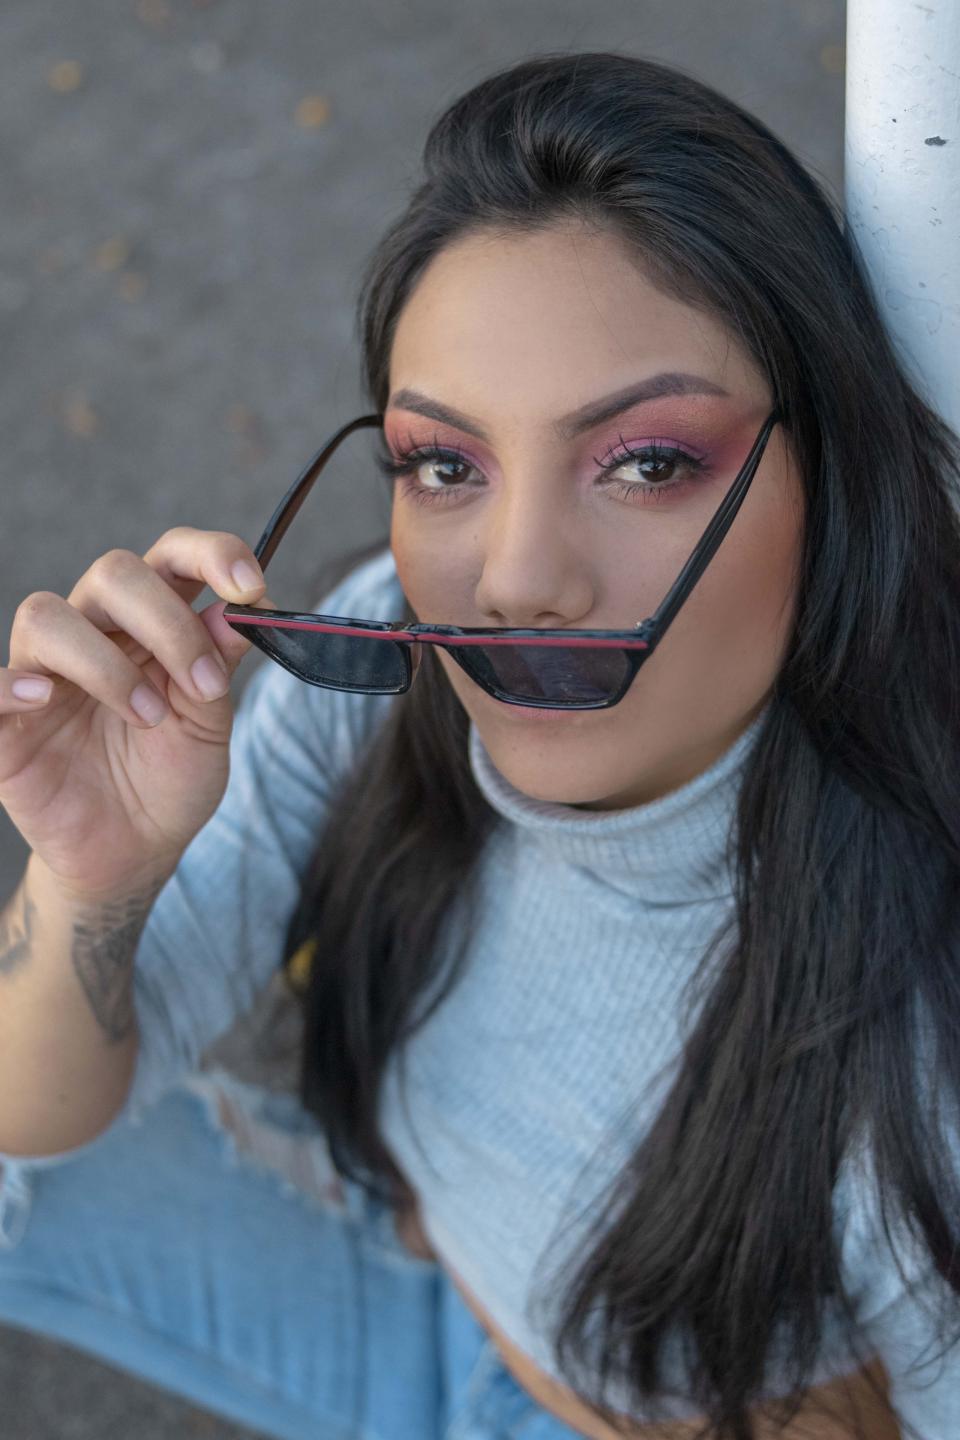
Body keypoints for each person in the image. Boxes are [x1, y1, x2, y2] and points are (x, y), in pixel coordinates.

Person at [0, 47, 958, 1440]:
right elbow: (35, 1116)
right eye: (445, 466)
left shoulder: (919, 1036)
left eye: (647, 462)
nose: (513, 582)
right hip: (415, 1296)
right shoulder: (381, 649)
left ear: (836, 478)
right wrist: (95, 876)